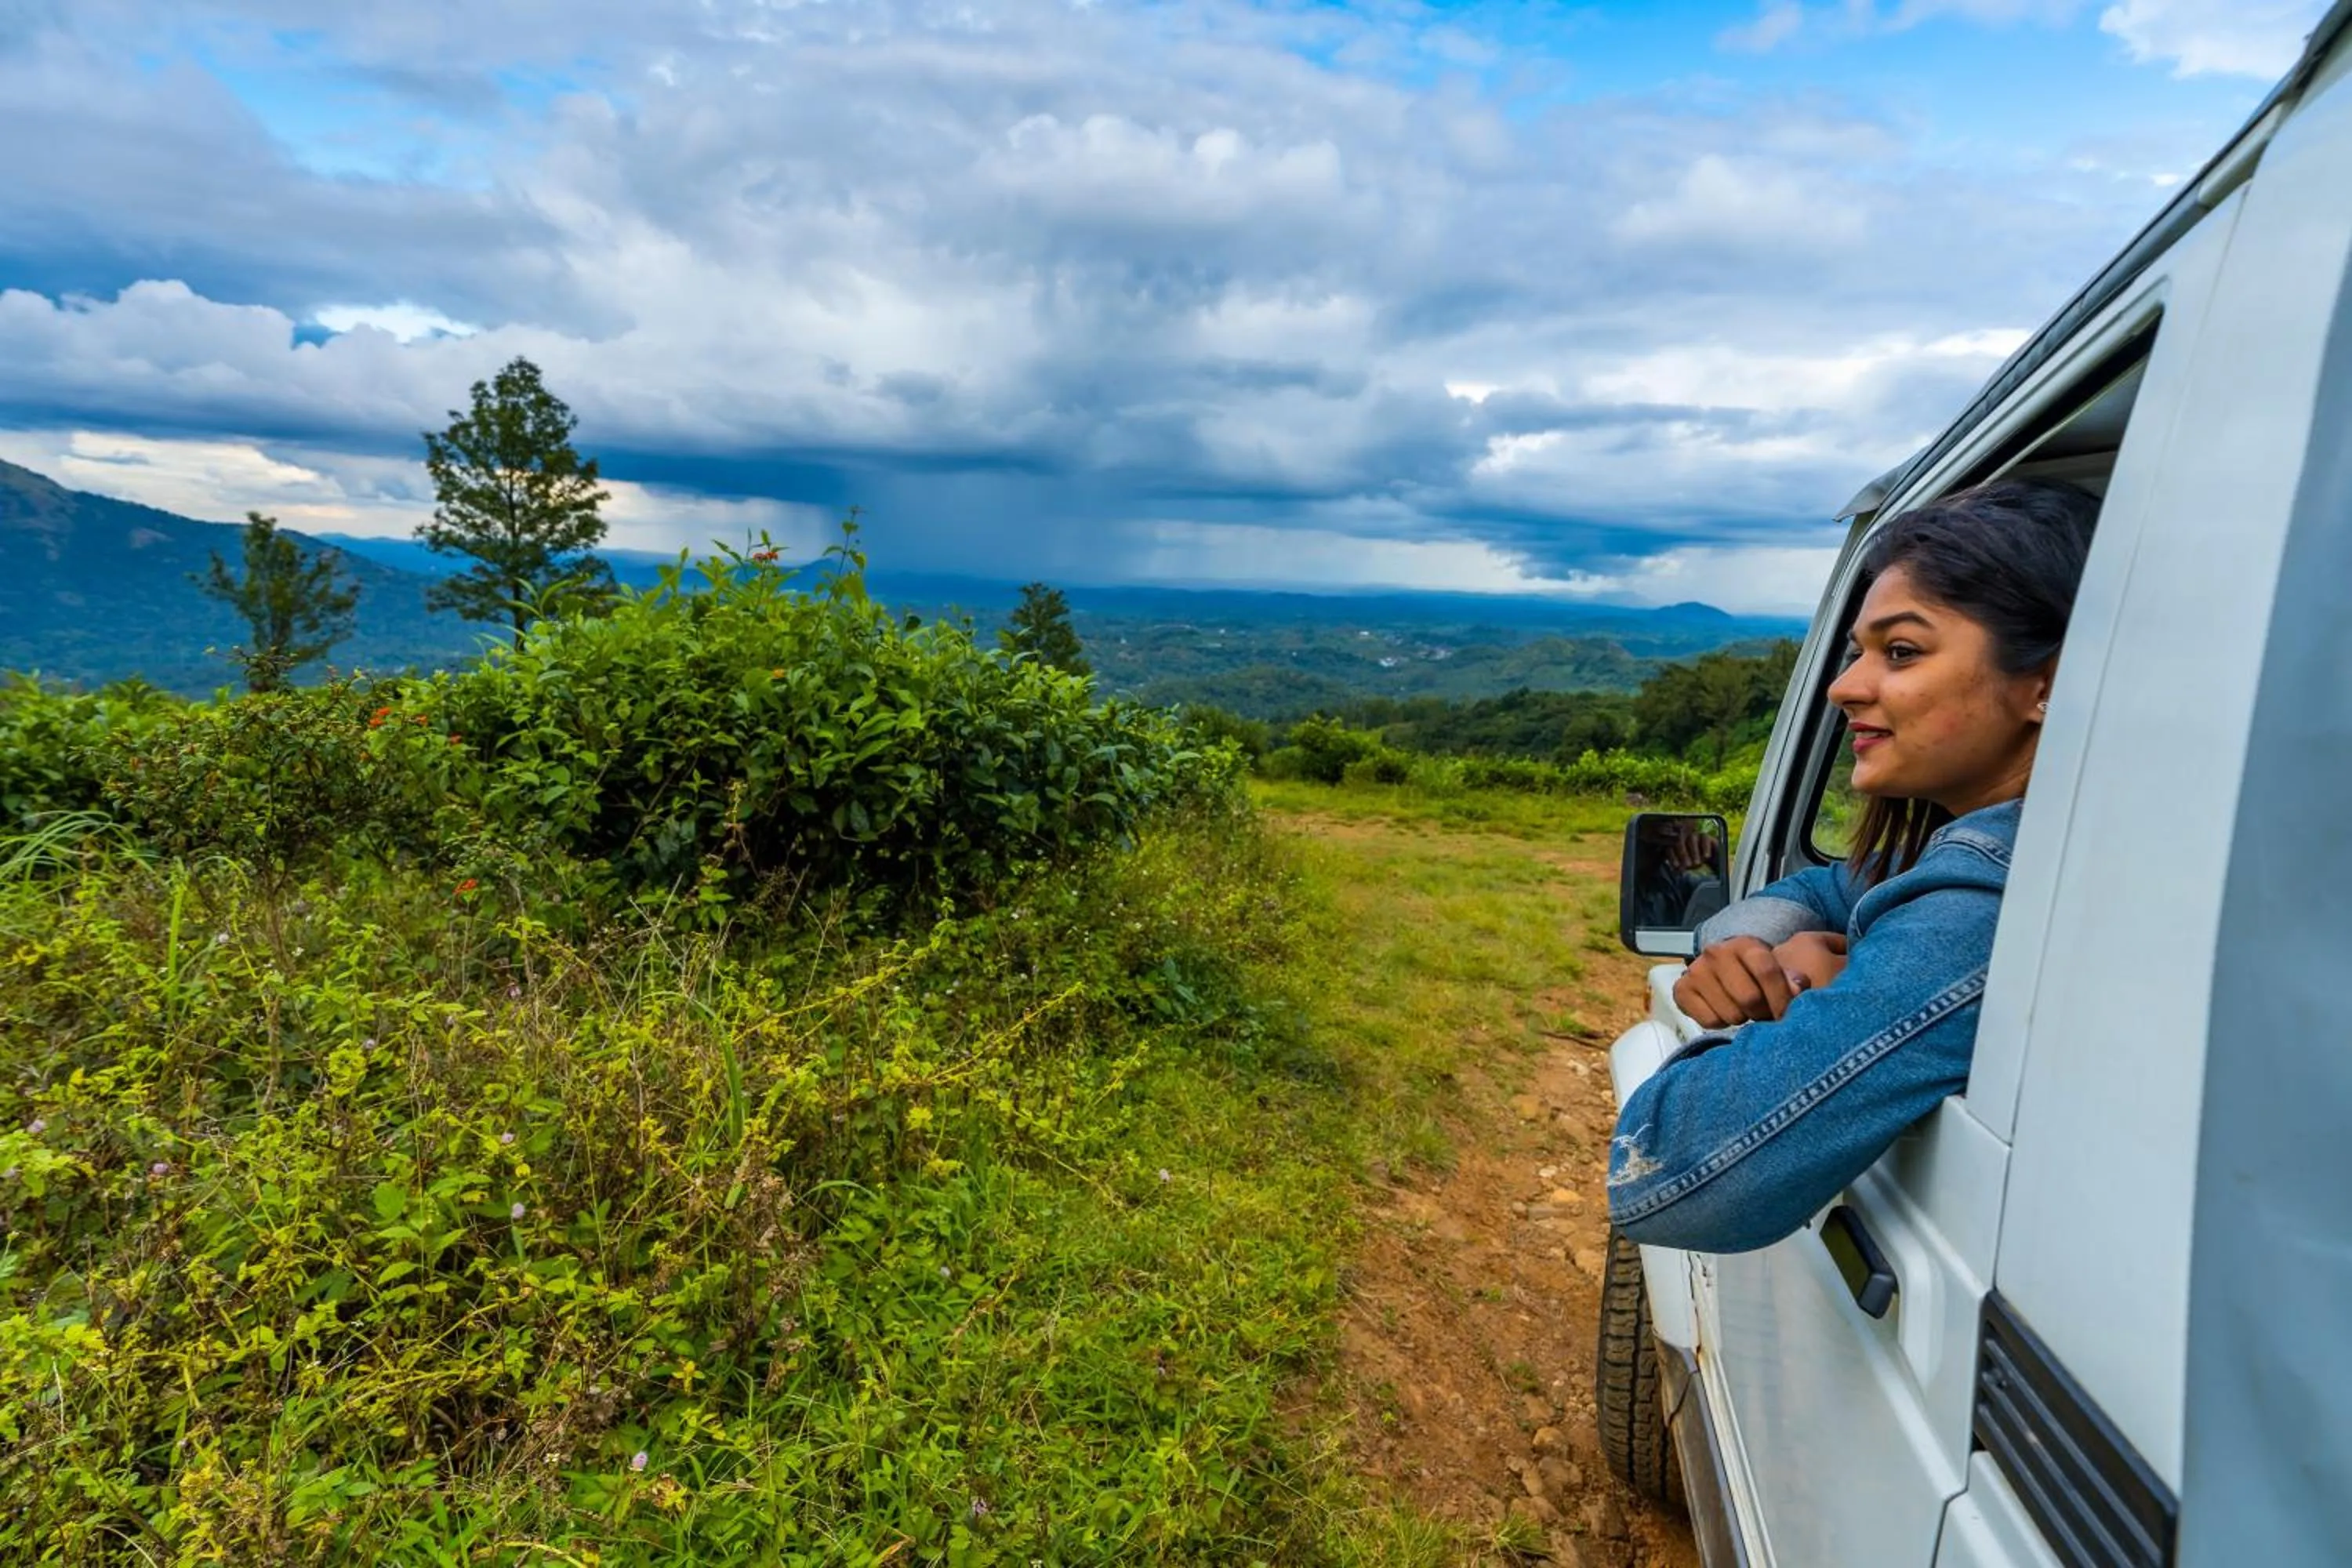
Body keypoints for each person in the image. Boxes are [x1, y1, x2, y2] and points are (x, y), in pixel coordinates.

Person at [1607, 479, 2100, 1253]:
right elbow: (1828, 885)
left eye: (1901, 651)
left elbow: (1661, 1174)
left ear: (2047, 683)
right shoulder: (2010, 852)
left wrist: (1813, 993)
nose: (1843, 686)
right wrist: (1751, 948)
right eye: (1856, 654)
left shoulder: (1983, 904)